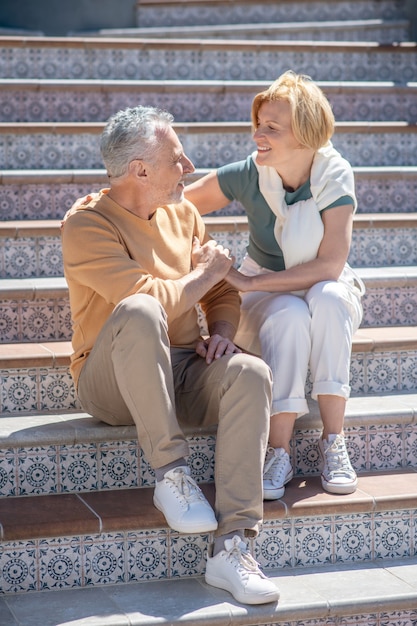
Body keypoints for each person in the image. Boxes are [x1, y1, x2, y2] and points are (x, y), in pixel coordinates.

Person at [61, 105, 279, 605]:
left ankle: (233, 548)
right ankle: (172, 474)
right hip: (111, 380)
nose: (190, 168)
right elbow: (153, 298)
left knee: (249, 371)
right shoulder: (86, 226)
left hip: (180, 367)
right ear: (140, 169)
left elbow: (220, 292)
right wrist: (206, 273)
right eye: (177, 159)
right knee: (139, 310)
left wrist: (222, 331)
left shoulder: (185, 214)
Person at [185, 70, 365, 500]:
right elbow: (179, 202)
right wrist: (102, 207)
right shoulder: (252, 172)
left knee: (330, 298)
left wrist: (249, 280)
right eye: (258, 124)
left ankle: (332, 441)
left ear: (305, 135)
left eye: (271, 128)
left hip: (316, 284)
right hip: (269, 298)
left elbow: (332, 263)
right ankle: (278, 449)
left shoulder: (334, 173)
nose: (257, 135)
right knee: (287, 313)